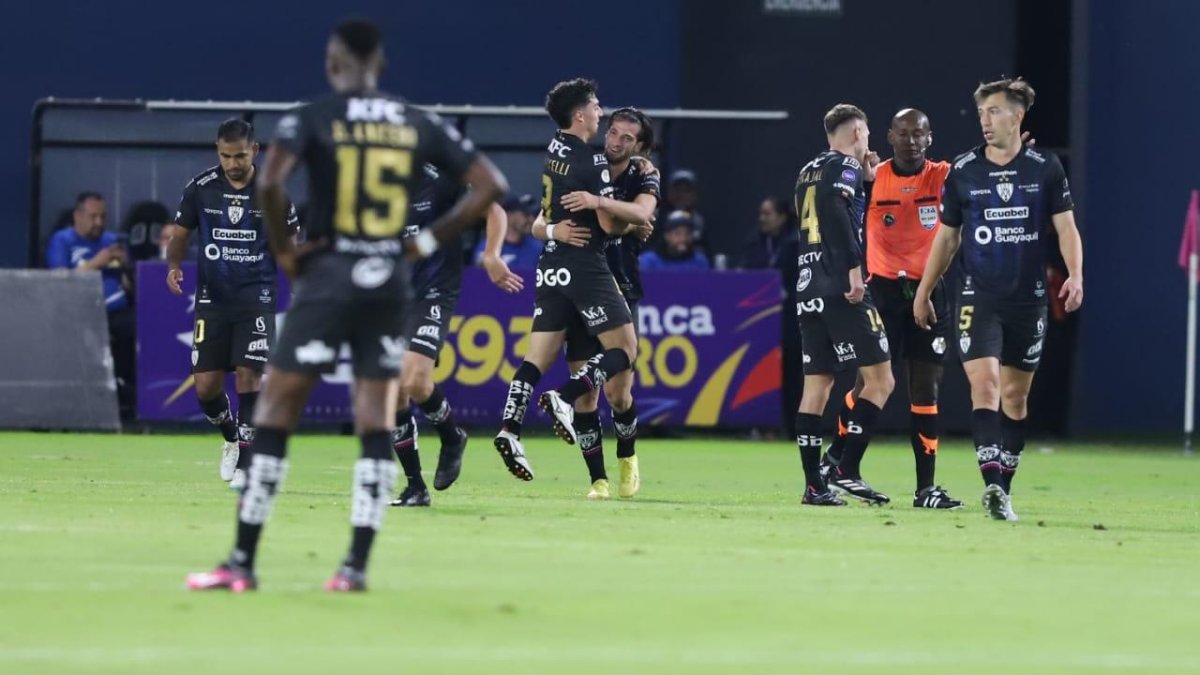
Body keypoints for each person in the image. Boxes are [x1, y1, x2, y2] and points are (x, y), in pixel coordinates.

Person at [186, 18, 507, 593]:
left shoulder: (313, 117)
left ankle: (241, 561)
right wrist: (425, 242)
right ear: (380, 66)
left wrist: (288, 254)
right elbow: (490, 184)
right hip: (388, 283)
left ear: (333, 63)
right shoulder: (416, 122)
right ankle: (354, 567)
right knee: (375, 418)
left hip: (330, 278)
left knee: (278, 409)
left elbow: (269, 185)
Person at [914, 77, 1082, 521]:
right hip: (978, 297)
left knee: (1015, 397)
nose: (985, 121)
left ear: (1017, 116)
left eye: (994, 111)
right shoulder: (964, 171)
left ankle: (1002, 491)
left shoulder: (1045, 168)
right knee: (984, 387)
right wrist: (924, 289)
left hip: (1028, 301)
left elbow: (1066, 228)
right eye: (982, 113)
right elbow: (947, 239)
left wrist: (1076, 275)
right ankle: (991, 483)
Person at [492, 78, 647, 483]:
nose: (600, 113)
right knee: (626, 350)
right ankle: (563, 397)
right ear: (580, 115)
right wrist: (626, 223)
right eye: (596, 107)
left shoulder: (554, 149)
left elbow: (549, 213)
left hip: (551, 266)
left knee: (535, 359)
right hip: (585, 266)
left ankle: (510, 428)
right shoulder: (591, 161)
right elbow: (610, 224)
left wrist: (553, 229)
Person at [820, 109, 963, 510]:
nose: (912, 141)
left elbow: (979, 175)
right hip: (882, 291)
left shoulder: (943, 176)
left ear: (930, 138)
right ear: (890, 136)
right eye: (903, 133)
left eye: (919, 134)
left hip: (930, 291)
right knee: (869, 384)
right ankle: (838, 461)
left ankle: (925, 489)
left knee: (926, 387)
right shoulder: (872, 176)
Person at [531, 106, 658, 499]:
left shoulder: (644, 173)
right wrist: (556, 230)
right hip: (580, 281)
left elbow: (642, 212)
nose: (615, 141)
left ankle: (628, 458)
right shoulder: (585, 161)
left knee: (620, 392)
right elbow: (538, 223)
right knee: (588, 392)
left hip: (619, 282)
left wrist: (600, 203)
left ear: (640, 147)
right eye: (613, 132)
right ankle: (597, 480)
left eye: (626, 138)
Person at [165, 119, 297, 490]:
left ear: (255, 150)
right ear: (217, 152)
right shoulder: (201, 189)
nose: (233, 163)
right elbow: (180, 235)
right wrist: (174, 266)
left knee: (248, 374)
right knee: (205, 387)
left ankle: (248, 466)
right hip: (213, 299)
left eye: (239, 156)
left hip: (257, 296)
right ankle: (231, 438)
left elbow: (291, 247)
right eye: (225, 156)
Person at [389, 166, 514, 507]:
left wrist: (491, 254)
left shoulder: (442, 181)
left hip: (434, 292)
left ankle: (451, 435)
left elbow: (494, 209)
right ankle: (415, 487)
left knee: (412, 379)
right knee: (395, 392)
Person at [792, 104, 894, 507]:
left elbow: (830, 208)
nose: (868, 144)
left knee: (817, 384)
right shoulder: (846, 167)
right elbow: (836, 212)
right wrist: (854, 268)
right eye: (867, 136)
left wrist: (864, 183)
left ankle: (813, 485)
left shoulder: (806, 171)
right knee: (881, 380)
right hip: (841, 286)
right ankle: (843, 466)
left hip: (807, 285)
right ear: (857, 132)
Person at [45, 192, 136, 418]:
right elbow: (58, 279)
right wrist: (98, 262)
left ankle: (132, 400)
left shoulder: (112, 241)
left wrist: (126, 268)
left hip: (116, 311)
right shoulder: (63, 240)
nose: (99, 223)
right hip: (78, 313)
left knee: (140, 328)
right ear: (78, 216)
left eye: (103, 217)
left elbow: (132, 286)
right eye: (93, 217)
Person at [474, 194, 542, 270]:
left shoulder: (537, 248)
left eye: (533, 215)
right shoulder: (488, 247)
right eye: (526, 214)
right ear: (507, 215)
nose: (531, 220)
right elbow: (478, 278)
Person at [639, 211, 710, 270]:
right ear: (667, 235)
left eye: (687, 233)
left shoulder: (699, 261)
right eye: (677, 233)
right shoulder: (649, 260)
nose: (683, 238)